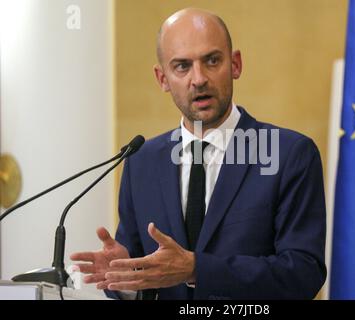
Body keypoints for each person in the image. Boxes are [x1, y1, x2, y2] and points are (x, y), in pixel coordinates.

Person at [70, 7, 326, 300]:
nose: (199, 78)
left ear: (236, 64)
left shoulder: (289, 154)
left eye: (212, 61)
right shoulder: (141, 161)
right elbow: (142, 277)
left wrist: (196, 269)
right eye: (182, 66)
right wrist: (127, 280)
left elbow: (303, 274)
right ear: (162, 78)